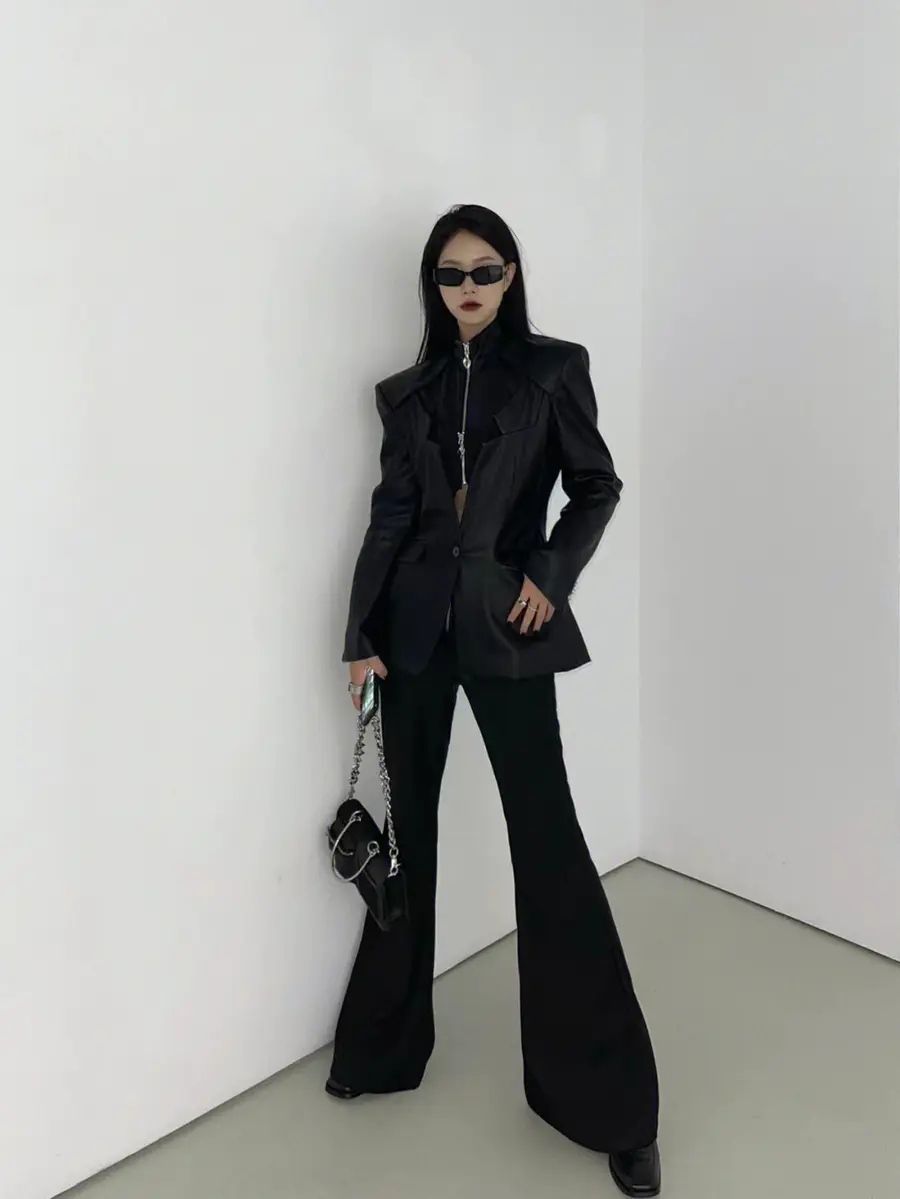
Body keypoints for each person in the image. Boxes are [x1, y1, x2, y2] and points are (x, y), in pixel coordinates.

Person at [327, 204, 661, 1198]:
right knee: (407, 843)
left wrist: (550, 574)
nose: (467, 287)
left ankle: (609, 1103)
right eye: (450, 273)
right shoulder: (407, 392)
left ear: (511, 275)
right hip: (414, 636)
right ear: (431, 286)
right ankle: (383, 1046)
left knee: (548, 846)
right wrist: (359, 632)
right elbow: (391, 515)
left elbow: (595, 485)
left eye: (485, 270)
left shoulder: (554, 371)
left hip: (510, 629)